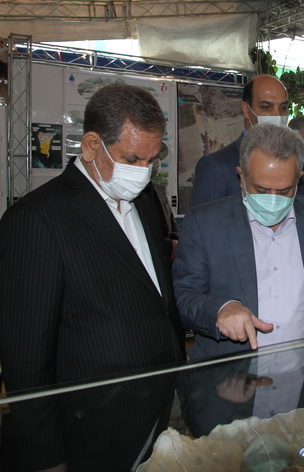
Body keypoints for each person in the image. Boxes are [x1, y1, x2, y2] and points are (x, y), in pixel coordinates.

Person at [0, 83, 185, 471]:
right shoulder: (37, 220)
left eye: (152, 161)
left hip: (154, 411)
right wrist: (46, 459)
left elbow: (154, 298)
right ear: (90, 146)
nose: (143, 172)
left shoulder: (144, 203)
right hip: (90, 429)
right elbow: (26, 360)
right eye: (132, 159)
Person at [172, 123, 304, 394]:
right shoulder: (204, 223)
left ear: (299, 178)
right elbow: (182, 297)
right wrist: (220, 309)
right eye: (261, 189)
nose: (273, 200)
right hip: (228, 382)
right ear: (241, 177)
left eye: (284, 190)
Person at [189, 74, 289, 208]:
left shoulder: (294, 162)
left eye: (283, 108)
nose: (277, 115)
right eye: (266, 107)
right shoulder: (216, 166)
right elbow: (203, 220)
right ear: (246, 110)